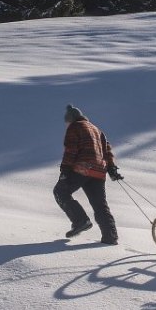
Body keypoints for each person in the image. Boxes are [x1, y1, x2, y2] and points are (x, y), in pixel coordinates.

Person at [55, 104, 122, 245]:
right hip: (99, 172)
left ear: (71, 119)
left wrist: (65, 171)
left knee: (60, 191)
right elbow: (107, 150)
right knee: (100, 205)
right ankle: (110, 237)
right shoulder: (97, 130)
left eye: (67, 122)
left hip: (83, 168)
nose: (66, 125)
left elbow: (71, 150)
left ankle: (81, 220)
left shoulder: (75, 127)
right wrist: (112, 169)